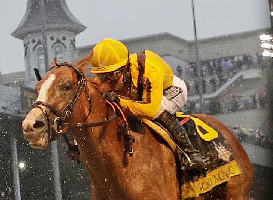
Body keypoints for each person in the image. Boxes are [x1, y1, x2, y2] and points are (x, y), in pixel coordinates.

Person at [88, 39, 208, 168]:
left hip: (169, 90)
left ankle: (190, 153)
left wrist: (119, 100)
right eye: (103, 76)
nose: (109, 80)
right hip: (141, 95)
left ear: (125, 66)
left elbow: (150, 110)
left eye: (114, 74)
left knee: (158, 110)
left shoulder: (148, 70)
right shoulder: (113, 74)